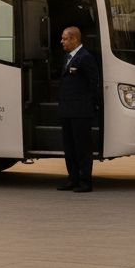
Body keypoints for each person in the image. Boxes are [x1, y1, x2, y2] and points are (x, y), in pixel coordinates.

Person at [56, 26, 99, 193]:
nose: (62, 41)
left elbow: (94, 82)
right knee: (69, 147)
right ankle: (72, 179)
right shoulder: (68, 57)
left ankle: (85, 181)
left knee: (82, 148)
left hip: (81, 111)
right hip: (67, 110)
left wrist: (93, 105)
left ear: (74, 39)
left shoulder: (85, 57)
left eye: (65, 39)